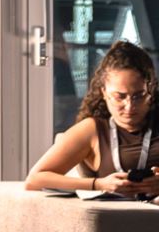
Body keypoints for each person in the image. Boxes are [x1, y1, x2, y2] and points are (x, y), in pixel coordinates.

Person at [25, 40, 159, 200]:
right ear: (104, 92)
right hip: (117, 214)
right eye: (120, 97)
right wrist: (99, 184)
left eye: (138, 96)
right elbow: (34, 179)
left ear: (150, 90)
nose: (129, 106)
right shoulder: (92, 130)